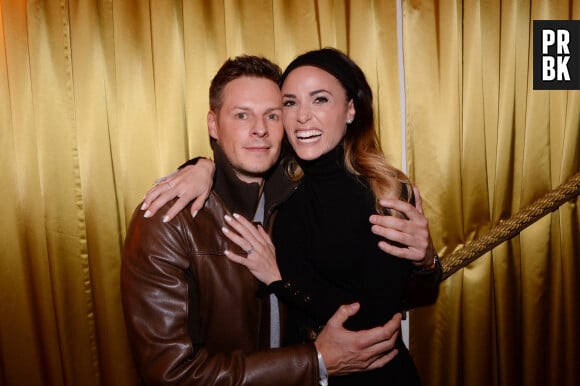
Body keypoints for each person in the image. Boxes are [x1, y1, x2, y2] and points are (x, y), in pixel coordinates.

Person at [141, 49, 442, 385]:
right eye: (289, 104)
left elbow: (383, 309)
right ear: (213, 123)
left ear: (350, 109)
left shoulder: (372, 190)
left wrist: (428, 261)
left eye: (271, 115)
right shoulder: (283, 184)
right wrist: (202, 167)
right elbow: (172, 373)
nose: (300, 117)